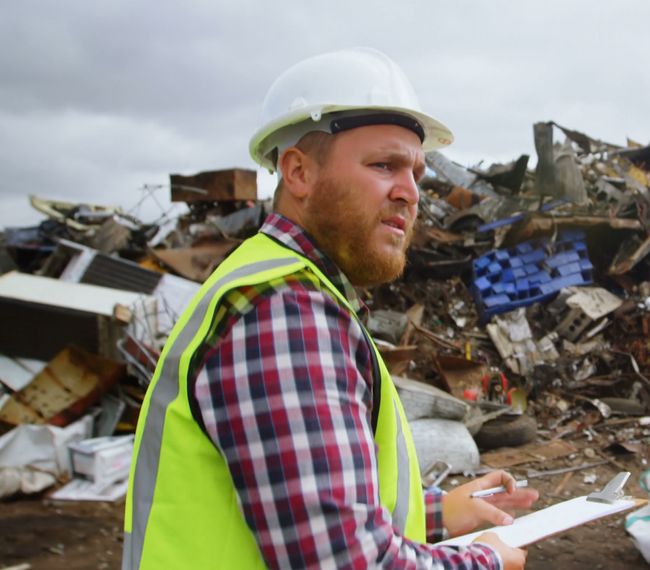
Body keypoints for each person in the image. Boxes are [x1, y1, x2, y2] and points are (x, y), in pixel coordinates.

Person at [123, 47, 538, 569]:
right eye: (383, 164)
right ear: (297, 172)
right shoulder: (284, 311)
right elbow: (343, 561)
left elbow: (302, 501)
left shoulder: (283, 286)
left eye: (417, 173)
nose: (410, 193)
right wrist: (487, 562)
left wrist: (442, 512)